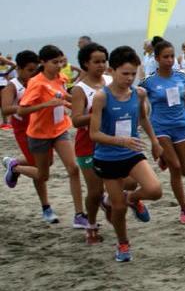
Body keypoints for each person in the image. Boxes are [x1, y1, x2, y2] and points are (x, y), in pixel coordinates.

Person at [89, 46, 164, 262]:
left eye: (133, 73)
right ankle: (123, 243)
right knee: (117, 208)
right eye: (125, 73)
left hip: (131, 153)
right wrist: (120, 140)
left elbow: (143, 119)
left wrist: (154, 141)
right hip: (108, 158)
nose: (130, 78)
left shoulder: (139, 93)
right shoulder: (101, 97)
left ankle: (132, 198)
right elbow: (94, 134)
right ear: (112, 71)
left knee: (155, 190)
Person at [140, 39, 185, 224]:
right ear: (157, 58)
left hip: (181, 125)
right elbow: (134, 99)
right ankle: (184, 209)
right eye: (165, 57)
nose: (170, 60)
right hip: (161, 127)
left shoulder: (180, 76)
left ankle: (165, 157)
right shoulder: (148, 82)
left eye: (172, 56)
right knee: (176, 168)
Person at [16, 45, 86, 227]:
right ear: (43, 62)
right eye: (55, 62)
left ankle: (79, 215)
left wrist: (77, 103)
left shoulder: (60, 77)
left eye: (61, 61)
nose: (59, 65)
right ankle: (15, 167)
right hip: (39, 133)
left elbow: (62, 95)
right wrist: (46, 104)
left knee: (73, 169)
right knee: (43, 174)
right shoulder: (36, 83)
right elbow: (22, 110)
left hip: (60, 129)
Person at [71, 42, 116, 244]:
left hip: (110, 141)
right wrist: (98, 113)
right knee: (95, 190)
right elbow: (76, 120)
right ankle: (90, 224)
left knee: (125, 181)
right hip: (87, 145)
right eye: (96, 62)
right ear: (85, 64)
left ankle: (108, 203)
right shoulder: (79, 89)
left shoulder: (110, 80)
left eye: (103, 61)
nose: (101, 65)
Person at [2, 50, 52, 214]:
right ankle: (46, 206)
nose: (33, 74)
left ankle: (13, 163)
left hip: (41, 127)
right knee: (39, 168)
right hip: (23, 129)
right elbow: (6, 109)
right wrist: (24, 108)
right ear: (19, 69)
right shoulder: (12, 86)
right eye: (30, 70)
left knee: (47, 163)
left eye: (35, 70)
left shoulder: (37, 83)